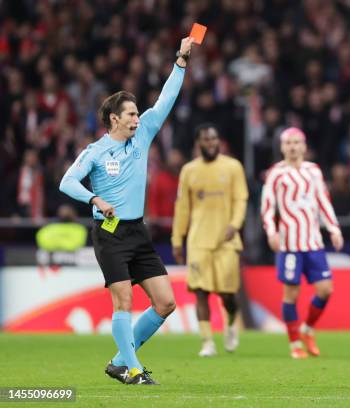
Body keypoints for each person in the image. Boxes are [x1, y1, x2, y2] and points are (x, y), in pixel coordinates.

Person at [59, 37, 195, 385]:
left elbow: (166, 99)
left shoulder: (144, 135)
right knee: (123, 301)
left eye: (137, 113)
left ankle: (120, 360)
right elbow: (67, 182)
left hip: (137, 231)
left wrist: (180, 60)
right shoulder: (95, 151)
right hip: (110, 233)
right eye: (132, 113)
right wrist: (94, 199)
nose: (138, 117)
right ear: (114, 119)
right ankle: (133, 370)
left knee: (165, 303)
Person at [261, 127, 344, 359]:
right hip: (289, 246)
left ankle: (307, 329)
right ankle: (295, 343)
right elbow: (267, 206)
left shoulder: (313, 171)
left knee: (326, 289)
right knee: (291, 294)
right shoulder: (276, 173)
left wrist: (334, 229)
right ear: (282, 147)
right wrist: (271, 231)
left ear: (304, 146)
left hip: (314, 243)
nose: (293, 147)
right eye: (289, 143)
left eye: (297, 142)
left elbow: (323, 202)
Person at [172, 125, 248, 357]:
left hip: (226, 241)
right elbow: (182, 207)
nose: (211, 143)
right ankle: (207, 342)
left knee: (228, 296)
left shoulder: (233, 167)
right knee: (201, 292)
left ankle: (231, 323)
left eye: (214, 138)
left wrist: (234, 225)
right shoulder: (189, 171)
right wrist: (177, 239)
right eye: (206, 139)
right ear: (198, 144)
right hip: (198, 241)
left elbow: (241, 198)